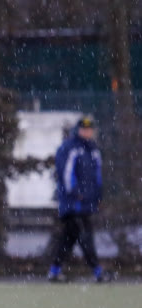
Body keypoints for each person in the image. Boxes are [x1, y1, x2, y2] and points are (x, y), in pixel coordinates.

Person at [48, 115, 112, 283]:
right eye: (84, 129)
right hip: (73, 203)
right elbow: (66, 173)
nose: (87, 132)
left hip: (86, 203)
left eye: (89, 129)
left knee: (68, 238)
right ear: (78, 130)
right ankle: (98, 272)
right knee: (85, 236)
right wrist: (76, 192)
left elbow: (97, 175)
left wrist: (97, 195)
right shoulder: (70, 147)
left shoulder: (93, 150)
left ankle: (54, 271)